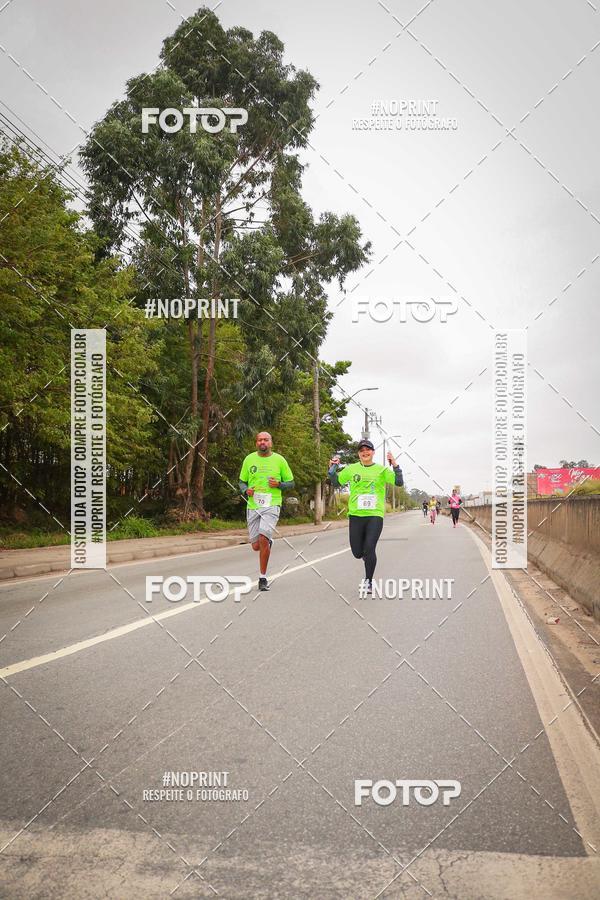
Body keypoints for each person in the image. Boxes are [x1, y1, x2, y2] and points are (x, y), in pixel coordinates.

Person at [328, 440, 403, 594]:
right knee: (357, 552)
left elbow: (399, 482)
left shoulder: (382, 470)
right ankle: (366, 558)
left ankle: (368, 581)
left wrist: (395, 465)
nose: (365, 452)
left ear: (373, 452)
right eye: (362, 450)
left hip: (374, 515)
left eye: (368, 449)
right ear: (359, 453)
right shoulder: (351, 469)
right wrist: (332, 468)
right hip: (356, 515)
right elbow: (335, 482)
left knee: (369, 548)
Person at [239, 432, 294, 591]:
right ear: (256, 443)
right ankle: (268, 542)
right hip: (253, 505)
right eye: (260, 440)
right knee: (256, 546)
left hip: (272, 504)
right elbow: (242, 482)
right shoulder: (249, 459)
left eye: (266, 439)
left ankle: (262, 578)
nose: (262, 442)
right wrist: (245, 490)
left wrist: (279, 484)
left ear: (271, 442)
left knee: (263, 538)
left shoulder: (280, 460)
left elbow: (291, 483)